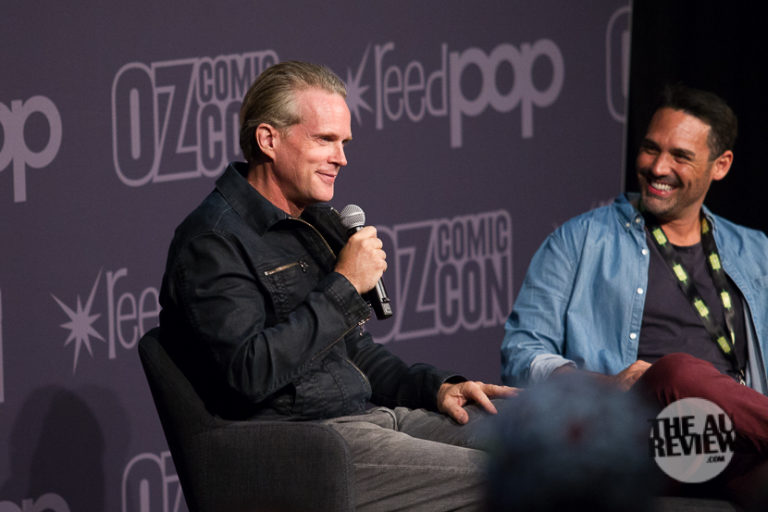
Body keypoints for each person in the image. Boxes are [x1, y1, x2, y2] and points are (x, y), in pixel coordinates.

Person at [159, 60, 515, 511]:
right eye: (325, 139)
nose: (341, 158)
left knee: (545, 448)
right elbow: (248, 373)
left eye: (343, 143)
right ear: (268, 139)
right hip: (311, 446)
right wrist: (344, 284)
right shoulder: (213, 243)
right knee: (515, 481)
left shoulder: (314, 222)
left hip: (372, 418)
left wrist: (434, 388)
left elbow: (352, 353)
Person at [501, 84, 768, 501]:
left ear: (721, 165)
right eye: (650, 149)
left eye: (680, 156)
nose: (658, 167)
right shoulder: (578, 241)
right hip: (633, 434)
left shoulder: (755, 251)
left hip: (727, 440)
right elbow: (521, 356)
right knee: (678, 373)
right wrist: (607, 384)